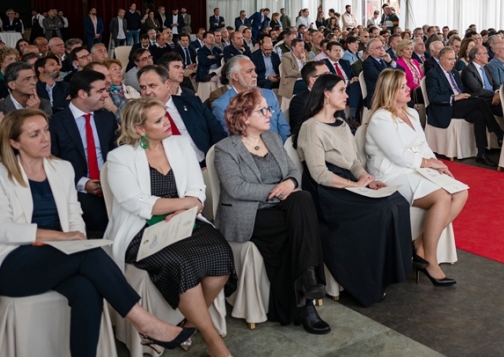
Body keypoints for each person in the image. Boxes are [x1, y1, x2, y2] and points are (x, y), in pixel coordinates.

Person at [0, 109, 197, 357]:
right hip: (13, 262)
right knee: (89, 254)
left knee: (86, 288)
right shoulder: (2, 175)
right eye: (35, 134)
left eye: (46, 130)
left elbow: (74, 215)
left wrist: (76, 238)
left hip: (59, 256)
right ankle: (145, 322)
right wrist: (60, 238)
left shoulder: (61, 169)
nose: (45, 138)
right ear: (14, 142)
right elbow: (4, 229)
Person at [104, 98, 236, 357]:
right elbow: (136, 202)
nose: (168, 123)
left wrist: (188, 207)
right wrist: (185, 203)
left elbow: (198, 188)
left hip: (185, 221)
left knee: (222, 256)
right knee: (181, 264)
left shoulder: (179, 144)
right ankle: (214, 342)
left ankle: (185, 326)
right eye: (159, 120)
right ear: (140, 129)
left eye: (166, 116)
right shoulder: (119, 157)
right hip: (141, 230)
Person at [213, 89, 330, 334]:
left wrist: (290, 184)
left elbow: (293, 172)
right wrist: (277, 190)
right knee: (302, 219)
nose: (271, 113)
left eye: (269, 108)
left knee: (303, 198)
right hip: (249, 213)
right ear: (244, 117)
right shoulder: (226, 148)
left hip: (284, 208)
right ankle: (308, 293)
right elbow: (236, 188)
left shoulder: (273, 139)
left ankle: (306, 285)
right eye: (263, 110)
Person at [294, 74, 412, 306]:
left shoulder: (341, 123)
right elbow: (319, 173)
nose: (347, 95)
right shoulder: (311, 127)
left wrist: (366, 179)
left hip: (347, 181)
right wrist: (354, 185)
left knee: (397, 201)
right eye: (341, 90)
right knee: (379, 210)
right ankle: (367, 281)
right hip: (326, 191)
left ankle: (389, 272)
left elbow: (353, 161)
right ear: (326, 94)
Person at [365, 69, 465, 286]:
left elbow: (423, 145)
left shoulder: (409, 113)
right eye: (402, 87)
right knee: (442, 197)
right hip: (393, 174)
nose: (408, 88)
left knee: (461, 192)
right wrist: (429, 163)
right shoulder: (380, 118)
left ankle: (419, 244)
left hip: (416, 169)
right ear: (390, 91)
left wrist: (438, 165)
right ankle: (431, 260)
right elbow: (397, 155)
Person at [48, 70, 115, 235]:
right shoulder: (56, 123)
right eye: (100, 91)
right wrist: (82, 182)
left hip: (111, 184)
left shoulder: (107, 118)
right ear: (82, 94)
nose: (106, 95)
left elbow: (116, 152)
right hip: (76, 188)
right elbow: (52, 162)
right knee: (96, 220)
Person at [425, 47, 504, 166]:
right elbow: (433, 97)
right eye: (450, 59)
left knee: (479, 114)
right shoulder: (433, 74)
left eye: (454, 58)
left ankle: (481, 153)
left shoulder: (455, 72)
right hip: (446, 107)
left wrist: (464, 96)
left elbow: (462, 90)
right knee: (480, 102)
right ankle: (499, 134)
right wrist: (454, 98)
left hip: (461, 104)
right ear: (441, 59)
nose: (453, 62)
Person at [137, 66, 226, 168]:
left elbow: (218, 132)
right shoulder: (139, 116)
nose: (147, 92)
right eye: (143, 87)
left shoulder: (192, 103)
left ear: (167, 84)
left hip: (205, 162)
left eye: (152, 86)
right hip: (170, 169)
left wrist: (213, 163)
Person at [211, 56, 291, 141]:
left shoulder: (269, 94)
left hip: (277, 148)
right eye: (249, 71)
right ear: (235, 76)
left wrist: (284, 150)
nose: (255, 75)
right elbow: (232, 140)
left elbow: (283, 126)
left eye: (254, 70)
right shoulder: (222, 105)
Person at [395, 39, 425, 106]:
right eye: (407, 49)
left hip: (420, 91)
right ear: (400, 51)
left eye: (411, 49)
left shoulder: (415, 61)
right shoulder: (399, 64)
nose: (410, 51)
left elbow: (422, 77)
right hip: (409, 94)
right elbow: (404, 83)